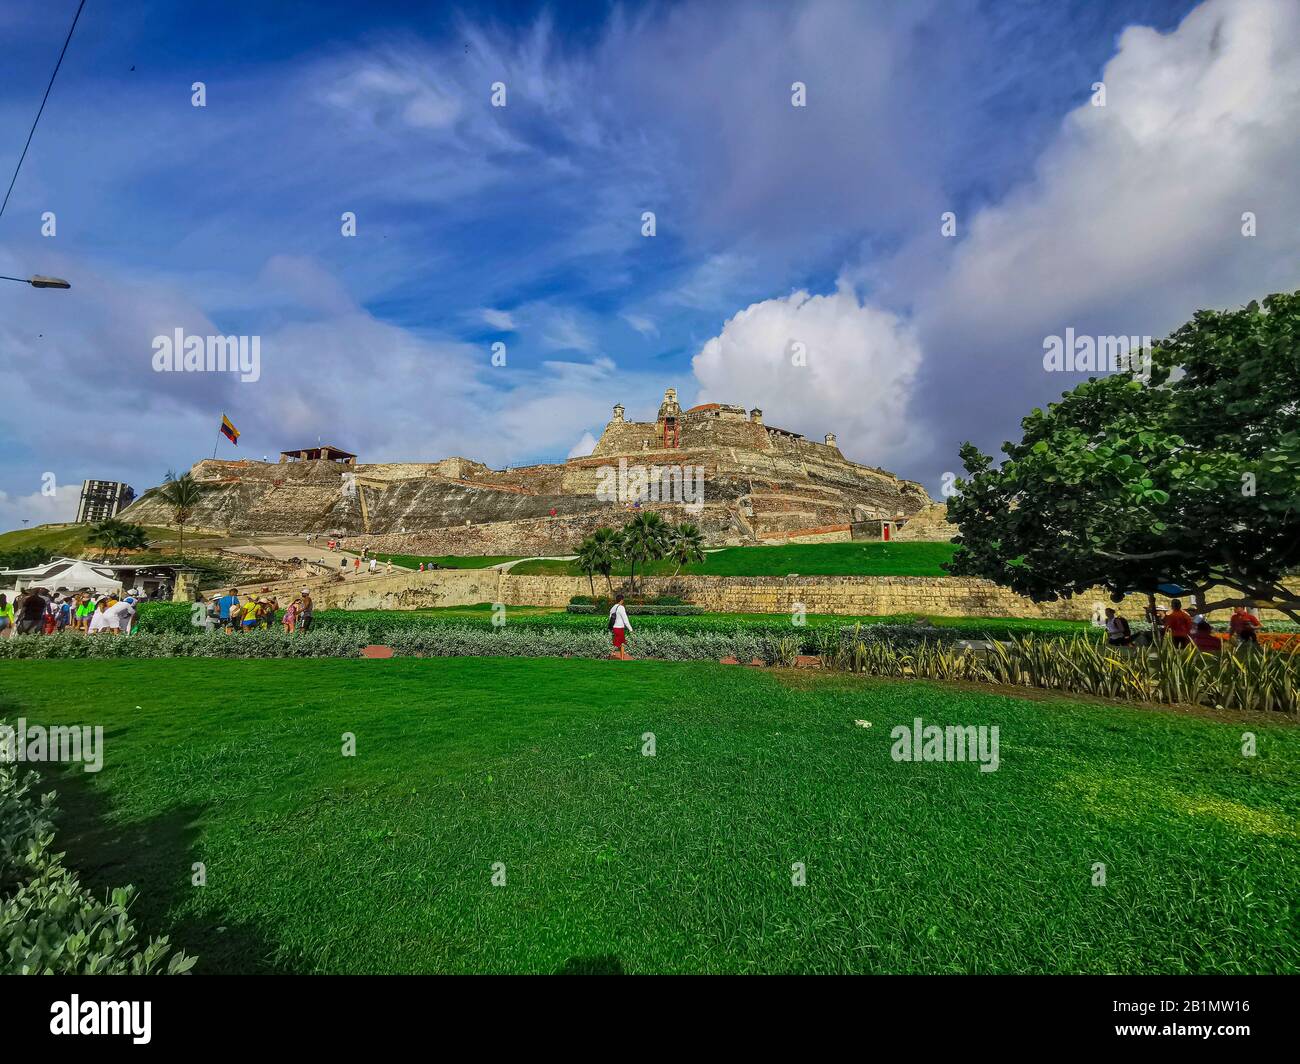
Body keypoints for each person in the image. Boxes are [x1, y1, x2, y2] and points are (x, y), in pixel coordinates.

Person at [608, 592, 632, 660]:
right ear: (621, 600)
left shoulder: (612, 608)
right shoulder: (621, 608)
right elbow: (625, 620)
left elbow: (610, 619)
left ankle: (611, 655)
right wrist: (631, 629)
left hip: (614, 628)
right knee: (621, 644)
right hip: (620, 628)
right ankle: (622, 659)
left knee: (616, 642)